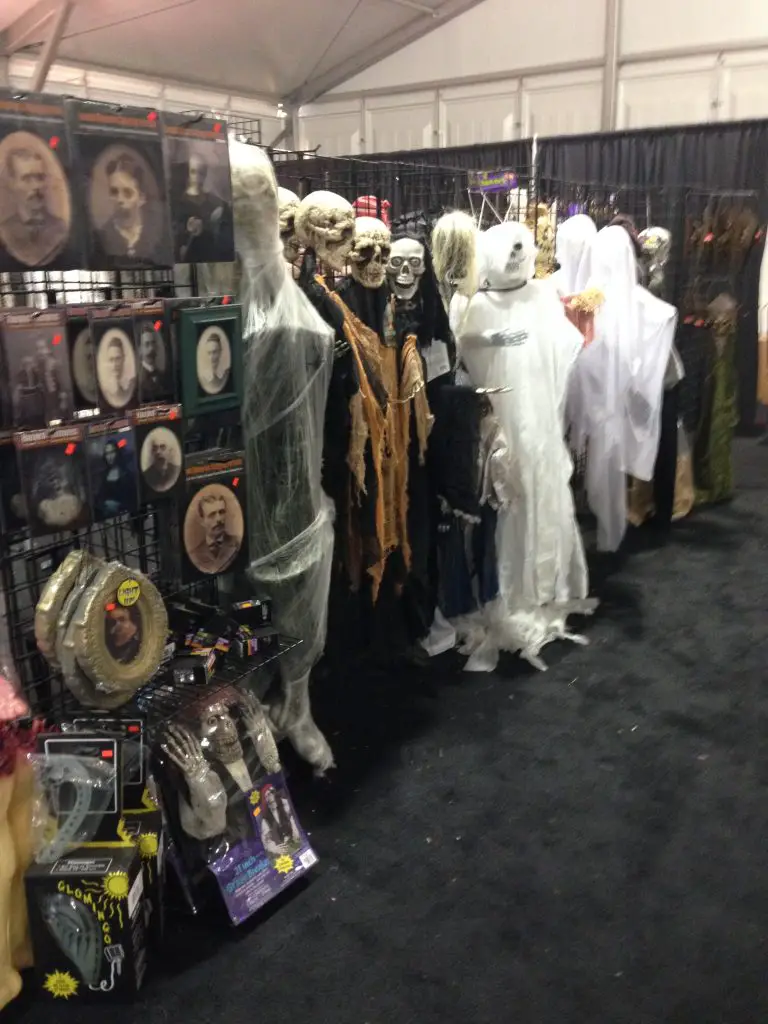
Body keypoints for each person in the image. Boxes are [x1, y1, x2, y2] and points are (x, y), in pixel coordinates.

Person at [0, 147, 69, 267]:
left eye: (39, 178)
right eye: (27, 179)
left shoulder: (59, 228)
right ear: (12, 184)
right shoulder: (4, 231)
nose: (36, 186)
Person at [94, 153, 161, 266]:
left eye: (127, 193)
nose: (119, 199)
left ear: (142, 198)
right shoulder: (102, 239)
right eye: (114, 192)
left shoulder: (156, 234)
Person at [174, 151, 231, 262]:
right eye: (193, 172)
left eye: (201, 173)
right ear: (188, 173)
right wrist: (186, 229)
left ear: (205, 174)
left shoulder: (215, 202)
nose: (197, 178)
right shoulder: (178, 204)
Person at [189, 491, 240, 573]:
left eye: (221, 512)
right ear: (202, 521)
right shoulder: (194, 554)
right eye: (212, 515)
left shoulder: (237, 543)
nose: (218, 519)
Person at [258, 784, 301, 859]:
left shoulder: (286, 806)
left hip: (295, 845)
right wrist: (274, 848)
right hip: (282, 853)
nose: (271, 796)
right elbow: (266, 841)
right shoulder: (265, 821)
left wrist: (296, 833)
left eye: (272, 792)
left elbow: (293, 819)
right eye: (267, 795)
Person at [94, 439, 135, 517]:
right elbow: (99, 497)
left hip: (124, 514)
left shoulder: (127, 474)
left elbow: (131, 499)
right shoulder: (103, 475)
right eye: (107, 454)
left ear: (117, 453)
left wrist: (119, 506)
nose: (109, 457)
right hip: (106, 516)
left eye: (112, 452)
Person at [137, 322, 172, 402]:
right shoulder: (137, 380)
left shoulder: (164, 376)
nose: (151, 348)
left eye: (153, 343)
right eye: (147, 344)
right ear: (140, 350)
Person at [99, 334, 135, 409]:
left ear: (123, 358)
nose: (114, 365)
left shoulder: (131, 384)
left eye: (117, 359)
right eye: (111, 360)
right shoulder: (105, 389)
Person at [197, 329, 230, 394]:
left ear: (220, 352)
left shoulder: (225, 375)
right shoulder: (203, 378)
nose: (212, 358)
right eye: (209, 353)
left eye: (214, 352)